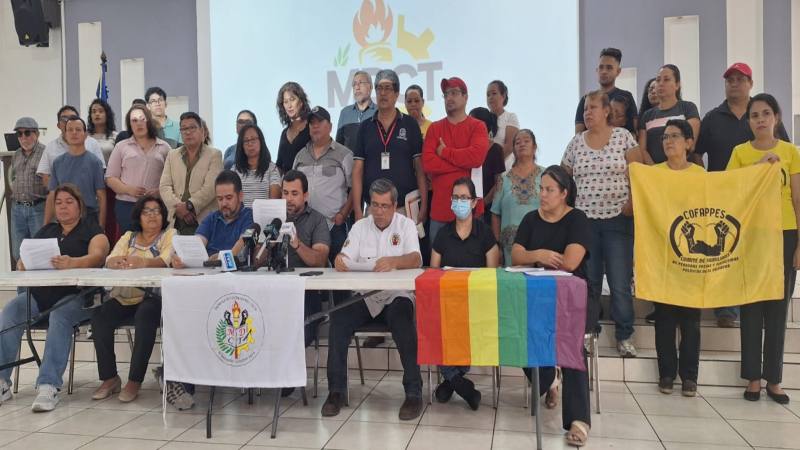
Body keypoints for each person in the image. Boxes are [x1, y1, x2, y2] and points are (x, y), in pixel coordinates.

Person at [694, 63, 791, 328]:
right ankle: (726, 308)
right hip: (724, 199)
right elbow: (696, 153)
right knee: (725, 250)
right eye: (730, 80)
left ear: (750, 83)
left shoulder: (763, 115)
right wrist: (707, 181)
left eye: (740, 79)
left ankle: (759, 304)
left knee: (755, 255)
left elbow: (783, 151)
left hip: (761, 204)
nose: (734, 84)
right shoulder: (712, 118)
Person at [0, 184, 109, 412]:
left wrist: (74, 263)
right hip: (40, 297)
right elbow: (26, 257)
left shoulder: (92, 229)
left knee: (59, 315)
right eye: (58, 203)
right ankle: (2, 382)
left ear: (80, 206)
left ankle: (48, 385)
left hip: (78, 297)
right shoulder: (46, 231)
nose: (63, 207)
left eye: (69, 202)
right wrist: (23, 263)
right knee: (10, 311)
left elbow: (99, 256)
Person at [323, 179, 424, 420]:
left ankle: (413, 392)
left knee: (403, 321)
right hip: (366, 296)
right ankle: (336, 392)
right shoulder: (360, 227)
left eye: (384, 206)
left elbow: (416, 259)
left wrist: (394, 261)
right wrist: (339, 260)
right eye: (375, 205)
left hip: (397, 295)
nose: (378, 211)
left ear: (395, 206)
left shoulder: (406, 224)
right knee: (338, 319)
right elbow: (344, 256)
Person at [511, 165, 592, 447]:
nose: (542, 195)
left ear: (564, 193)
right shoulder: (530, 219)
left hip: (572, 300)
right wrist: (540, 254)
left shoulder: (577, 219)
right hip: (536, 297)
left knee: (571, 345)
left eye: (549, 190)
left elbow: (570, 262)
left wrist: (534, 258)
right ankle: (549, 379)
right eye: (541, 189)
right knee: (515, 330)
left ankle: (578, 420)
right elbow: (516, 255)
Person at [727, 93, 799, 405]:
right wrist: (756, 168)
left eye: (766, 113)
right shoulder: (740, 153)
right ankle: (753, 378)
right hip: (751, 237)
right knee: (751, 307)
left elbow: (798, 199)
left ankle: (774, 379)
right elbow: (730, 193)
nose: (760, 120)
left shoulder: (791, 152)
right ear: (749, 121)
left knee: (778, 309)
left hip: (784, 234)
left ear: (776, 118)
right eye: (754, 115)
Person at [167, 170, 254, 410]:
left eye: (229, 198)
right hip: (206, 285)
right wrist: (182, 257)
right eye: (220, 198)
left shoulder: (250, 217)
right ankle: (179, 380)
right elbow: (197, 245)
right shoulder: (211, 218)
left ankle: (181, 379)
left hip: (237, 288)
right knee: (181, 314)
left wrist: (214, 258)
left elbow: (237, 251)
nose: (224, 203)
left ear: (240, 196)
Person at [562, 90, 640, 357]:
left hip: (619, 219)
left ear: (607, 111)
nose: (588, 112)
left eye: (593, 107)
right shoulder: (576, 142)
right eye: (585, 108)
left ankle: (625, 336)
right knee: (590, 282)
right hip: (585, 223)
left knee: (619, 282)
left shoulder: (623, 137)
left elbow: (639, 174)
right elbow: (563, 179)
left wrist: (632, 202)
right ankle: (588, 333)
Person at [90, 195, 175, 403]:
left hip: (153, 298)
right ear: (139, 216)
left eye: (157, 211)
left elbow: (165, 260)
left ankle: (134, 380)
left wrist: (142, 262)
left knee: (145, 315)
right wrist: (115, 262)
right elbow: (110, 259)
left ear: (163, 215)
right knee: (100, 315)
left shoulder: (169, 235)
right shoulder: (128, 236)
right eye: (147, 211)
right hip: (125, 296)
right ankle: (110, 378)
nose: (152, 215)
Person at [430, 177, 499, 410]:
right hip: (448, 303)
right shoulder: (443, 234)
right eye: (455, 198)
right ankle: (461, 383)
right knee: (434, 324)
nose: (459, 202)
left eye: (464, 198)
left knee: (466, 325)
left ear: (474, 202)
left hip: (477, 304)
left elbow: (492, 276)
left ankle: (452, 381)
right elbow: (433, 273)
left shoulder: (485, 234)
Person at [653, 119, 704, 397]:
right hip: (661, 256)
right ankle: (666, 374)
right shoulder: (653, 174)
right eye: (664, 137)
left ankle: (689, 376)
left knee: (691, 321)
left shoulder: (700, 175)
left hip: (691, 257)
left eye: (674, 136)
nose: (668, 141)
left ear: (688, 143)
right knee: (664, 319)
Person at [276, 170, 331, 396]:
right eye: (285, 193)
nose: (289, 199)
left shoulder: (317, 220)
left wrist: (297, 244)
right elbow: (257, 261)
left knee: (303, 328)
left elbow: (320, 260)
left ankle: (285, 375)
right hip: (275, 290)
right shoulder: (275, 218)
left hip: (306, 292)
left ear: (306, 195)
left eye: (294, 193)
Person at [352, 69, 428, 224]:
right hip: (373, 210)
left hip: (404, 209)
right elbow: (357, 171)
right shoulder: (365, 127)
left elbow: (420, 168)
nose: (383, 93)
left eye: (388, 88)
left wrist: (424, 206)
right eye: (379, 88)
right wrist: (358, 210)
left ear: (397, 94)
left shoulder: (410, 124)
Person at [423, 77, 489, 242]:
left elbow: (477, 157)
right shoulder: (434, 128)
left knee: (473, 258)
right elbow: (428, 163)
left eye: (454, 93)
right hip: (440, 212)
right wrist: (463, 165)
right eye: (446, 94)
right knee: (437, 259)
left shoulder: (478, 126)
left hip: (471, 212)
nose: (449, 98)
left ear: (465, 97)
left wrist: (445, 152)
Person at [292, 106, 353, 262]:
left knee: (340, 270)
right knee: (308, 270)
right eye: (312, 123)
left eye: (320, 122)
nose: (315, 126)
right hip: (306, 227)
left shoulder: (344, 154)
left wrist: (343, 214)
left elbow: (355, 189)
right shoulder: (300, 156)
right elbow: (292, 187)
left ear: (330, 127)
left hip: (333, 226)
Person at [105, 105, 171, 233]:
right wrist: (128, 189)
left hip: (156, 205)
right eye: (134, 120)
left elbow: (173, 179)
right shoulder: (121, 147)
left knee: (155, 240)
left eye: (142, 119)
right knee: (130, 241)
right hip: (127, 205)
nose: (139, 124)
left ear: (149, 121)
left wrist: (160, 192)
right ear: (130, 124)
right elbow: (110, 178)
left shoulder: (164, 147)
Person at [159, 112, 223, 235]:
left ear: (202, 131)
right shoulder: (172, 155)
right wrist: (179, 207)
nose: (188, 132)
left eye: (192, 127)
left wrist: (190, 206)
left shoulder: (214, 155)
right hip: (177, 219)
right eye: (184, 129)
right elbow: (164, 186)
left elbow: (211, 188)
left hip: (202, 219)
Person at [490, 129, 544, 265]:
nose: (522, 144)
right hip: (509, 247)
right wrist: (497, 245)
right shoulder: (503, 178)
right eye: (518, 142)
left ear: (534, 147)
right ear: (513, 149)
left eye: (526, 141)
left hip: (539, 244)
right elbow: (495, 213)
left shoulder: (546, 175)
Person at [44, 116, 106, 228]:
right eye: (70, 130)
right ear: (65, 134)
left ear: (85, 134)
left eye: (78, 129)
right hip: (64, 218)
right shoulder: (58, 162)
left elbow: (101, 196)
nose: (74, 133)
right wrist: (45, 225)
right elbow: (52, 194)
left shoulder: (95, 162)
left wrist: (101, 226)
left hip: (88, 217)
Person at [638, 64, 701, 165]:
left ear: (677, 85)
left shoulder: (688, 108)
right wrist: (656, 169)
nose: (661, 84)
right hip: (655, 171)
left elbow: (690, 144)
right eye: (658, 80)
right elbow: (642, 150)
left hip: (683, 170)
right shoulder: (647, 115)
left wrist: (672, 169)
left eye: (666, 80)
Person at [37, 105, 105, 188]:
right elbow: (46, 177)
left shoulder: (92, 143)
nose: (68, 121)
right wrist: (64, 193)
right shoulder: (50, 147)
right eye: (64, 119)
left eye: (72, 118)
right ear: (58, 125)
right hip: (61, 195)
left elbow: (100, 173)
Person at [9, 117, 47, 263]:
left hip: (38, 208)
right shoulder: (16, 154)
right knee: (18, 253)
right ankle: (22, 280)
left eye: (27, 133)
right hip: (17, 209)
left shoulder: (45, 153)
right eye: (19, 134)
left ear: (36, 134)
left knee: (39, 253)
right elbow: (13, 177)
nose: (23, 137)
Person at [575, 48, 638, 135]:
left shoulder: (627, 97)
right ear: (597, 70)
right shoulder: (586, 100)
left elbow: (634, 132)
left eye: (609, 68)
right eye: (601, 67)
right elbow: (578, 135)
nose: (604, 71)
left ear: (618, 71)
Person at [468, 107, 506, 221]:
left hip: (487, 211)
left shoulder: (496, 150)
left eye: (471, 122)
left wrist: (482, 203)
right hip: (465, 208)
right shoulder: (465, 149)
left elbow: (498, 183)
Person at [233, 123, 281, 207]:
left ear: (261, 142)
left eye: (253, 139)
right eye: (246, 141)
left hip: (265, 214)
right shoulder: (235, 170)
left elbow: (274, 202)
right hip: (241, 215)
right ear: (241, 145)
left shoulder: (272, 169)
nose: (250, 144)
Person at [275, 82, 312, 174]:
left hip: (309, 179)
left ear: (301, 102)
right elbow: (279, 165)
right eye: (285, 102)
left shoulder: (311, 126)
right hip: (287, 181)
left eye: (292, 99)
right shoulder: (284, 133)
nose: (289, 105)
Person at [336, 70, 377, 150]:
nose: (357, 87)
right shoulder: (345, 112)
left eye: (361, 83)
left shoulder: (380, 112)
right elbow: (338, 145)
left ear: (370, 86)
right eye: (354, 84)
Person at [486, 80, 519, 169]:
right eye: (488, 95)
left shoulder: (510, 117)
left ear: (503, 96)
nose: (490, 97)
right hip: (482, 171)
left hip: (504, 170)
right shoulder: (482, 119)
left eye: (494, 93)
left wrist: (491, 165)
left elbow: (510, 146)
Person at [87, 98, 118, 163]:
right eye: (94, 112)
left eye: (100, 111)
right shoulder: (85, 136)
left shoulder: (115, 136)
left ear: (107, 115)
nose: (97, 114)